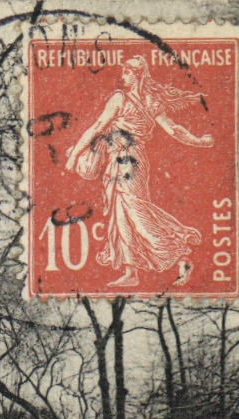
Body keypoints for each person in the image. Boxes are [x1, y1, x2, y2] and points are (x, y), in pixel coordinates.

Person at [64, 56, 214, 288]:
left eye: (125, 72)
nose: (122, 76)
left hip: (125, 161)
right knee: (122, 213)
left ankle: (178, 250)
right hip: (130, 160)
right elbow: (173, 129)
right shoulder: (152, 101)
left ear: (135, 75)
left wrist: (74, 155)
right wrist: (199, 141)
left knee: (134, 211)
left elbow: (97, 127)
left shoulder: (119, 98)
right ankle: (131, 271)